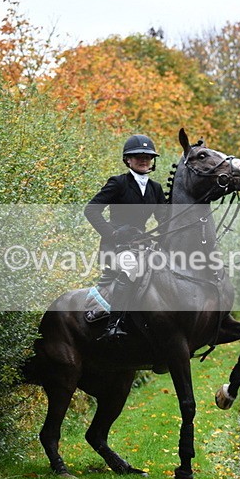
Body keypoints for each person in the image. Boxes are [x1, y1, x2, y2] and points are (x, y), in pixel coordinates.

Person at [84, 134, 166, 341]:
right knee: (131, 268)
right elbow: (91, 210)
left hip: (140, 244)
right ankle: (113, 324)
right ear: (128, 160)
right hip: (116, 245)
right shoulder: (118, 183)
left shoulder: (155, 188)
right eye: (137, 156)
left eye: (148, 156)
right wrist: (111, 233)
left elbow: (164, 219)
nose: (143, 159)